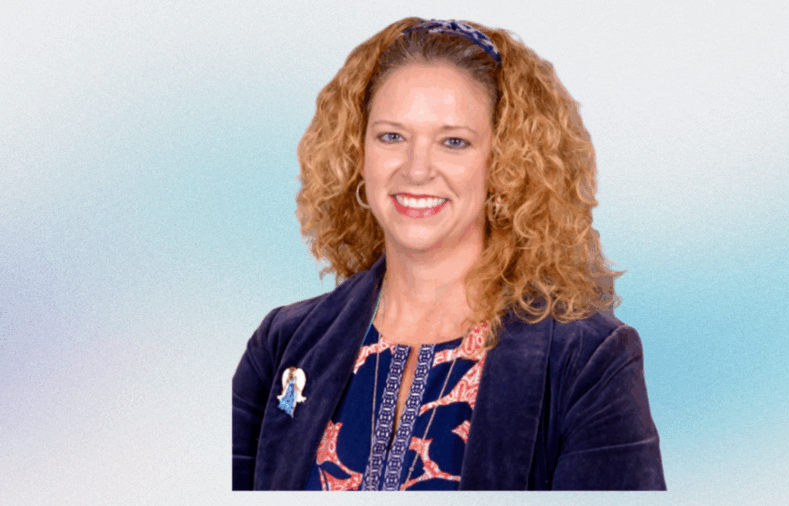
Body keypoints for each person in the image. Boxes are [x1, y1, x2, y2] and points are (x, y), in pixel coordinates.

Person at [232, 17, 665, 491]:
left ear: (505, 163)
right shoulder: (282, 344)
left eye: (453, 142)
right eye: (391, 136)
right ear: (357, 153)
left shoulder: (589, 361)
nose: (416, 170)